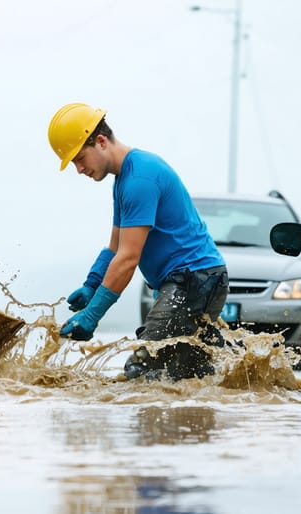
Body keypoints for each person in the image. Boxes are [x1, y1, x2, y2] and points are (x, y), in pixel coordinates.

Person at [47, 103, 229, 380]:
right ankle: (213, 412)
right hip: (196, 279)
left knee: (142, 367)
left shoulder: (139, 180)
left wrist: (93, 314)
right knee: (188, 373)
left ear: (101, 141)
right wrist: (91, 284)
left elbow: (128, 259)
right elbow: (115, 246)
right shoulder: (124, 180)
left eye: (80, 158)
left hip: (193, 281)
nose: (79, 169)